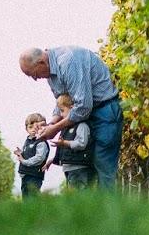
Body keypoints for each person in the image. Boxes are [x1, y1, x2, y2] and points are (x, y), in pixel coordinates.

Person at [18, 46, 122, 187]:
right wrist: (49, 125)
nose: (35, 79)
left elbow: (83, 106)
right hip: (86, 116)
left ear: (41, 62)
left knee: (103, 163)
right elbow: (62, 102)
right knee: (85, 165)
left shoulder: (69, 62)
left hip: (104, 111)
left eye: (34, 74)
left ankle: (109, 201)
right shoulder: (50, 73)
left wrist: (55, 129)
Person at [53, 95, 94, 189]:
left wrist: (65, 143)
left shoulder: (81, 125)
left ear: (72, 108)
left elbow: (81, 143)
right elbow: (64, 149)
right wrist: (53, 160)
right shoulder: (66, 128)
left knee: (79, 193)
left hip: (79, 167)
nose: (61, 115)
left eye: (62, 111)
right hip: (69, 167)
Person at [14, 112, 51, 197]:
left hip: (34, 175)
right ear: (26, 129)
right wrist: (21, 153)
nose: (33, 129)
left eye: (36, 127)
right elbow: (30, 154)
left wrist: (24, 161)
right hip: (26, 174)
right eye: (30, 127)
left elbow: (39, 158)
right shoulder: (28, 141)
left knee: (32, 196)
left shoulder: (41, 142)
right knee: (25, 196)